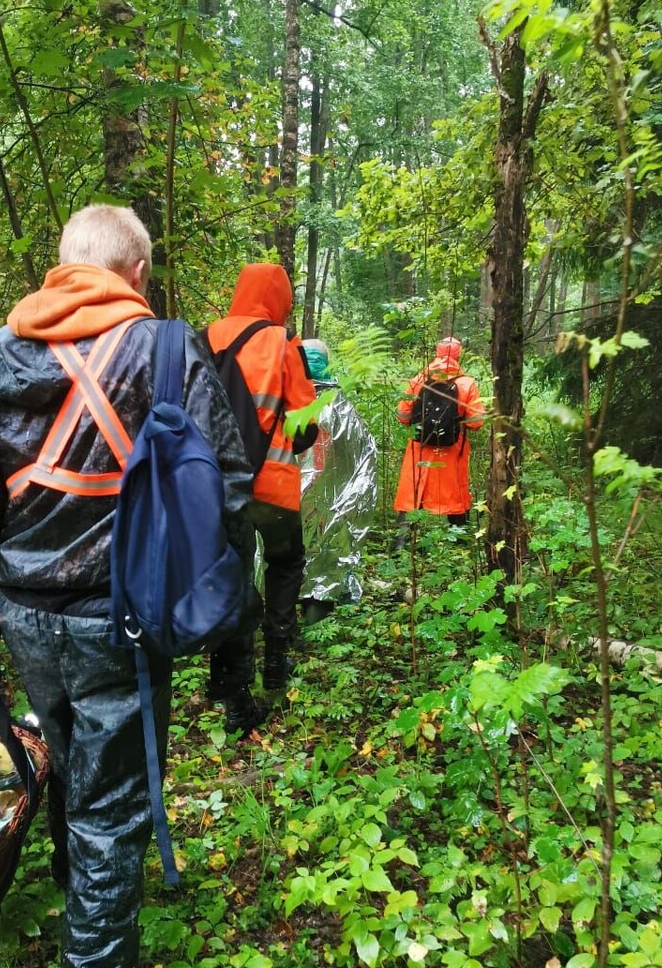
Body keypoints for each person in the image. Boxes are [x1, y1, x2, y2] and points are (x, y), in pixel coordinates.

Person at [0, 205, 253, 968]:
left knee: (75, 773)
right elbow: (228, 485)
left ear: (64, 264)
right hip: (124, 628)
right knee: (113, 822)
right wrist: (192, 593)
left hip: (28, 624)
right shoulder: (165, 352)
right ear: (138, 268)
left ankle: (84, 910)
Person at [206, 263, 317, 730]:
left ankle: (233, 697)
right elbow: (305, 425)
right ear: (279, 297)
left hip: (214, 490)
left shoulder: (204, 337)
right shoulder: (282, 342)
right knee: (285, 563)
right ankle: (276, 660)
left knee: (229, 578)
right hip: (270, 486)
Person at [298, 339, 378, 624]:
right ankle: (315, 615)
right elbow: (364, 459)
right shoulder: (342, 406)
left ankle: (284, 624)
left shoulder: (286, 398)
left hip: (283, 499)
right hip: (329, 504)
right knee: (323, 556)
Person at [393, 336, 485, 531]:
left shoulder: (418, 379)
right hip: (453, 450)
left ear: (437, 352)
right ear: (459, 355)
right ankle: (460, 541)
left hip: (420, 447)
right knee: (455, 494)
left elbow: (402, 415)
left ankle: (401, 543)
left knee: (413, 492)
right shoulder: (467, 383)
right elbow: (477, 422)